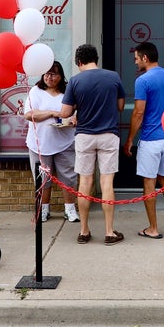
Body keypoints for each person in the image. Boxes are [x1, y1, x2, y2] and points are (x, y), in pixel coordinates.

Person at [60, 44, 126, 245]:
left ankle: (84, 230)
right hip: (109, 134)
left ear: (79, 62)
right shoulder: (113, 76)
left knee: (85, 183)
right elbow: (121, 106)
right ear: (95, 59)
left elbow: (64, 113)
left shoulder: (75, 81)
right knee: (107, 183)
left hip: (84, 136)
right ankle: (108, 232)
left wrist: (79, 110)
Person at [126, 42, 164, 239]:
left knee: (149, 183)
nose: (135, 63)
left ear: (145, 58)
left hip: (151, 138)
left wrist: (130, 139)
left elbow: (138, 112)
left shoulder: (143, 80)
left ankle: (153, 228)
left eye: (136, 59)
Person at [25, 62, 79, 224]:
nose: (49, 77)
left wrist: (74, 119)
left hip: (65, 140)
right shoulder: (36, 91)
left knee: (68, 177)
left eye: (54, 74)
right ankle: (43, 210)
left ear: (61, 76)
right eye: (47, 74)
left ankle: (70, 209)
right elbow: (29, 114)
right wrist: (51, 113)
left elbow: (76, 111)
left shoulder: (68, 92)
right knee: (43, 178)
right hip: (39, 144)